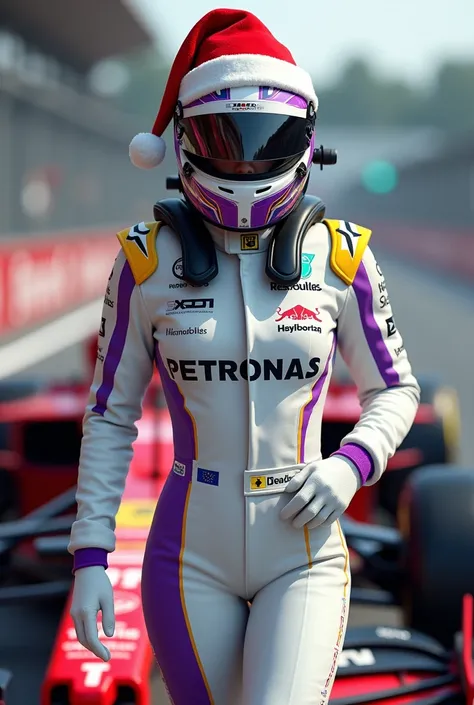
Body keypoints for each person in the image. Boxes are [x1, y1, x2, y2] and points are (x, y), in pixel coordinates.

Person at [68, 8, 420, 705]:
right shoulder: (143, 261)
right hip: (187, 555)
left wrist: (352, 465)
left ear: (305, 142)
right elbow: (109, 416)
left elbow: (397, 389)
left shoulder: (344, 256)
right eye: (224, 140)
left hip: (307, 551)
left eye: (267, 141)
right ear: (183, 142)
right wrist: (89, 557)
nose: (246, 161)